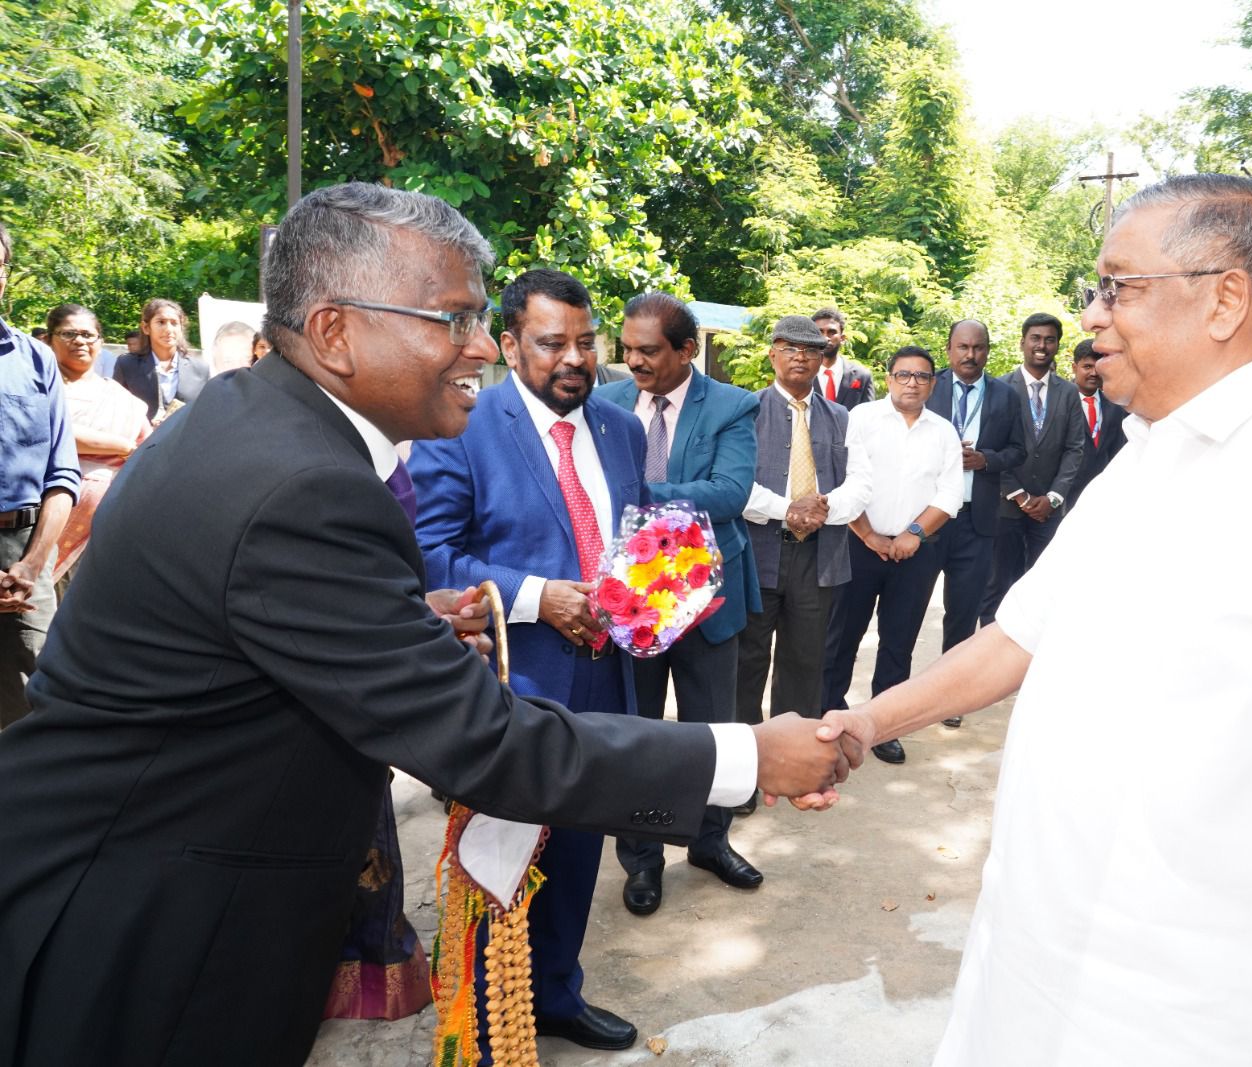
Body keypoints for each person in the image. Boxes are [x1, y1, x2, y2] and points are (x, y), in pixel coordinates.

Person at [0, 183, 854, 1067]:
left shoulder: (260, 424)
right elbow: (485, 743)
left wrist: (399, 621)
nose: (485, 346)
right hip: (136, 937)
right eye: (455, 318)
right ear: (335, 332)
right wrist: (747, 754)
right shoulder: (303, 485)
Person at [818, 174, 1252, 1067]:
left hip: (1210, 1017)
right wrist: (865, 722)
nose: (1092, 316)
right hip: (1033, 981)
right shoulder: (1135, 469)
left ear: (1224, 300)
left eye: (1118, 287)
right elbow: (1016, 639)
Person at [409, 267, 650, 1051]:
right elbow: (428, 555)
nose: (574, 358)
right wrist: (540, 596)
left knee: (579, 847)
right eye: (552, 344)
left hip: (606, 674)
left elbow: (629, 542)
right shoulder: (460, 422)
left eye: (587, 341)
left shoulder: (621, 428)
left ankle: (555, 993)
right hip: (510, 681)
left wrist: (653, 593)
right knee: (498, 859)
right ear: (509, 344)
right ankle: (480, 1019)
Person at [595, 293, 766, 915]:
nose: (633, 361)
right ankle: (641, 861)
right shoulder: (602, 403)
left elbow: (727, 493)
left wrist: (635, 495)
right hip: (630, 603)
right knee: (635, 736)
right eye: (627, 348)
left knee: (714, 731)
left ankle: (709, 843)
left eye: (648, 350)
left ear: (686, 350)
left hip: (706, 601)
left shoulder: (730, 403)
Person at [821, 345, 962, 764]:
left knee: (898, 641)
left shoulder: (943, 431)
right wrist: (867, 535)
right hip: (858, 546)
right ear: (888, 378)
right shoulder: (860, 419)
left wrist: (914, 533)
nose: (912, 383)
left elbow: (951, 492)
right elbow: (842, 480)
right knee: (841, 636)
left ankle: (884, 727)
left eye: (921, 377)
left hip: (915, 552)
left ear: (933, 384)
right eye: (903, 375)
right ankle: (828, 716)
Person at [737, 316, 872, 743]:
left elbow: (862, 483)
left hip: (818, 556)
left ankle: (790, 754)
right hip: (755, 555)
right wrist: (786, 510)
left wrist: (822, 509)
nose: (801, 357)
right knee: (747, 660)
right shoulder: (745, 411)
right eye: (790, 348)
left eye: (811, 350)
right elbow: (734, 483)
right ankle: (745, 761)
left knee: (805, 662)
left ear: (823, 358)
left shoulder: (842, 418)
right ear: (772, 353)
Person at [0, 226, 81, 729]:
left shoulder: (35, 361)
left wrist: (31, 566)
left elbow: (62, 474)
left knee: (33, 709)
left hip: (23, 559)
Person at [926, 319, 1023, 726]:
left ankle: (950, 698)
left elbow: (1018, 450)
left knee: (962, 614)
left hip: (978, 520)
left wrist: (987, 460)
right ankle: (895, 697)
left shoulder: (1005, 394)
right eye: (963, 347)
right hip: (927, 519)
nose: (970, 355)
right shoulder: (928, 387)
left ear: (988, 350)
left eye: (978, 348)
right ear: (949, 349)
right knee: (905, 612)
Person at [980, 314, 1086, 625]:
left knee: (1044, 588)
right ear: (1023, 342)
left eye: (1049, 339)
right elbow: (993, 448)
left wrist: (1053, 497)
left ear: (1057, 345)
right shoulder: (999, 388)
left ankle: (1032, 660)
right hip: (1005, 507)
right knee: (997, 587)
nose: (1042, 345)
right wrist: (1020, 496)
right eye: (1036, 338)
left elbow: (1074, 448)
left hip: (1049, 510)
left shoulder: (1068, 393)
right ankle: (990, 661)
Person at [43, 304, 151, 589]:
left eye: (88, 335)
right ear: (48, 340)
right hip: (46, 525)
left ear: (101, 343)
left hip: (108, 528)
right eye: (68, 334)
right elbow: (56, 434)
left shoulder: (119, 398)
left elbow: (148, 454)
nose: (80, 341)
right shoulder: (41, 389)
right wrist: (121, 444)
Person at [113, 297, 211, 423]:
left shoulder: (200, 369)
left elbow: (207, 412)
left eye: (174, 323)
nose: (169, 329)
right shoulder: (127, 365)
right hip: (143, 441)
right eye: (161, 322)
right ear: (146, 328)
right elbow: (116, 411)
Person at [1063, 337, 1128, 509]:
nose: (1094, 373)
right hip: (1062, 496)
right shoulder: (1058, 402)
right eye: (1087, 367)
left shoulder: (1117, 405)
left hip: (1102, 495)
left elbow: (1118, 449)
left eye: (1098, 367)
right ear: (1074, 368)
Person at [811, 307, 874, 410]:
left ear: (842, 338)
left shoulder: (862, 375)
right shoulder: (800, 375)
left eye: (832, 332)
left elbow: (869, 417)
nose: (826, 338)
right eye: (820, 332)